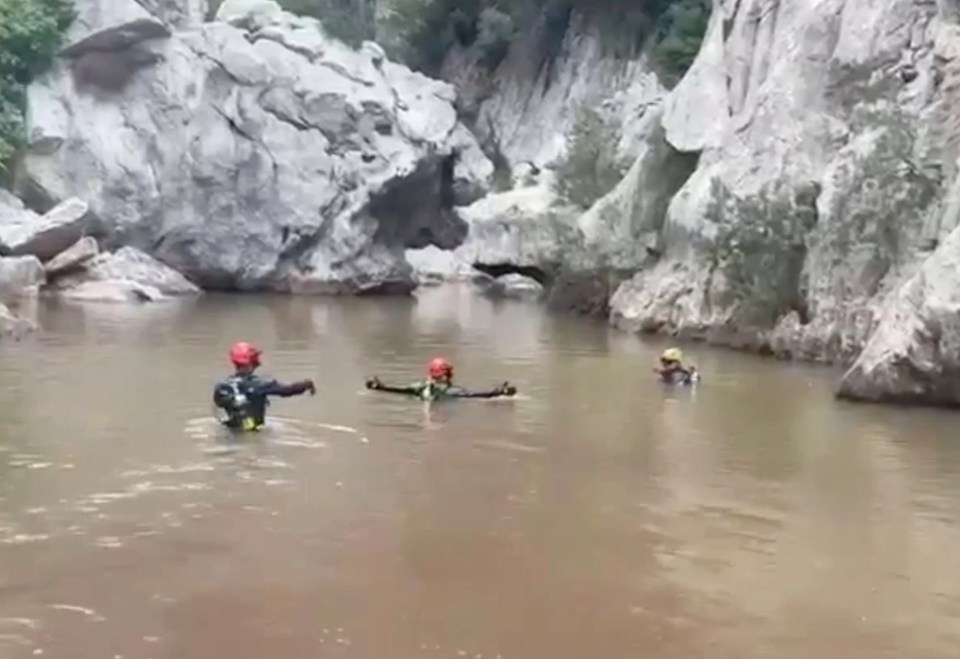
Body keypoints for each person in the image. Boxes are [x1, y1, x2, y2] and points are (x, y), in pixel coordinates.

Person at [212, 342, 316, 431]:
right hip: (252, 432)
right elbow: (286, 390)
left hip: (230, 431)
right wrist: (306, 384)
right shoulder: (260, 384)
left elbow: (218, 406)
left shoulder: (222, 386)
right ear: (253, 361)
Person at [365, 357, 517, 401]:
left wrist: (380, 387)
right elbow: (476, 395)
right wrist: (499, 392)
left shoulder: (420, 387)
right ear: (447, 375)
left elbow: (400, 390)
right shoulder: (453, 391)